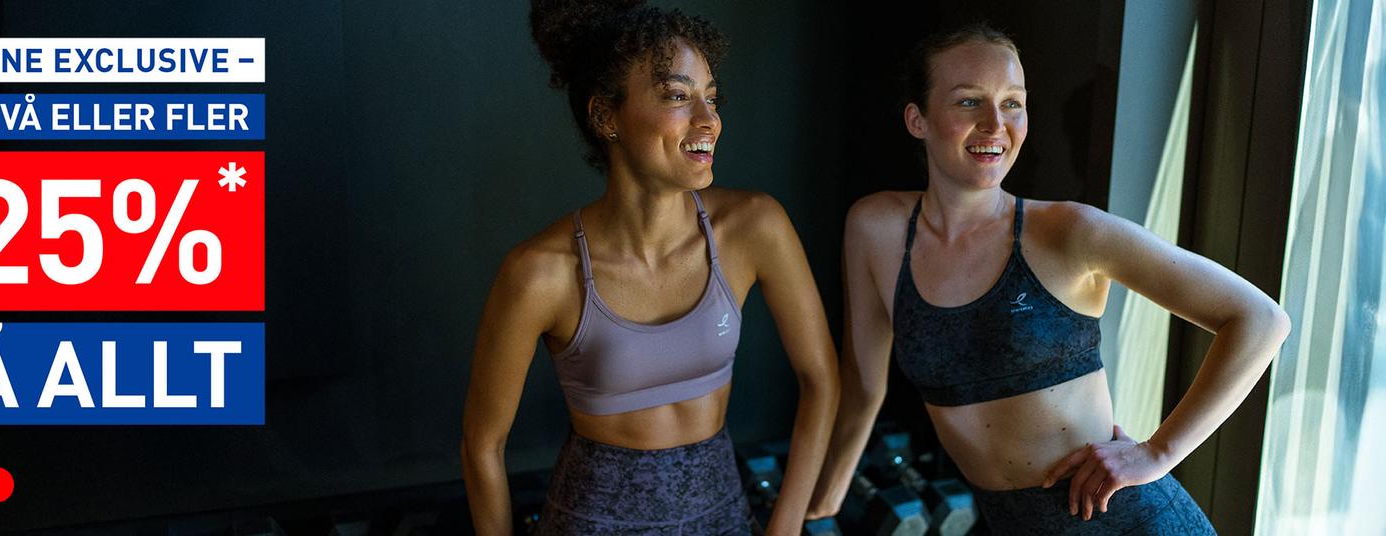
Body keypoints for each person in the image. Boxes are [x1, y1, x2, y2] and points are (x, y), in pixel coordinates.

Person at [806, 22, 1290, 534]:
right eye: (970, 102)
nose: (996, 124)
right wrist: (818, 506)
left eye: (1012, 103)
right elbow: (862, 386)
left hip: (1127, 521)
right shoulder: (875, 229)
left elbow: (1259, 319)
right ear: (917, 118)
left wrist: (1158, 452)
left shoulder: (1069, 232)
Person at [460, 1, 838, 534]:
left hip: (723, 514)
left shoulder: (756, 227)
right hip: (591, 521)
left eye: (711, 97)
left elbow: (821, 379)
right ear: (605, 117)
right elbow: (482, 444)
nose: (708, 120)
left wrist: (786, 526)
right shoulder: (540, 272)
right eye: (678, 96)